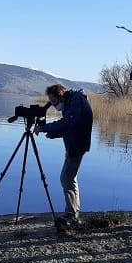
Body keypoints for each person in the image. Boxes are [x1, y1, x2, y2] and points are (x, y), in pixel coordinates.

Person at [34, 84, 93, 228]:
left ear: (60, 96)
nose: (53, 105)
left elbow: (68, 122)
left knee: (66, 177)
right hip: (75, 144)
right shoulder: (72, 101)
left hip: (77, 145)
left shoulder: (76, 101)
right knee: (69, 178)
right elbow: (70, 126)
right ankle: (72, 213)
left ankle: (72, 215)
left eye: (53, 101)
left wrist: (44, 128)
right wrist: (53, 133)